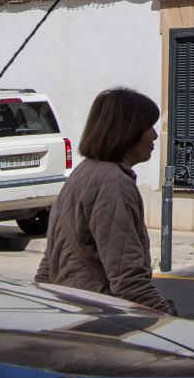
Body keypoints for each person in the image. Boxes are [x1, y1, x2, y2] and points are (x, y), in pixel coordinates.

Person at [34, 86, 177, 316]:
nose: (155, 135)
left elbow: (48, 267)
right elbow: (128, 280)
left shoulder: (82, 173)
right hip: (100, 317)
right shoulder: (113, 184)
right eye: (148, 127)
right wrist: (167, 320)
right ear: (127, 131)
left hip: (73, 315)